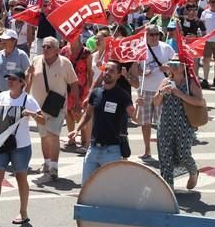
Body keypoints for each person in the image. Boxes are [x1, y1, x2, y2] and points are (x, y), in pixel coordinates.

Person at [0, 69, 41, 227]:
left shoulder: (28, 99)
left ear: (22, 82)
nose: (10, 81)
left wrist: (31, 114)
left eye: (13, 79)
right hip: (2, 144)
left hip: (21, 146)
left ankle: (23, 212)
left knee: (21, 178)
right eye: (8, 78)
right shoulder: (2, 96)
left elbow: (43, 120)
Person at [69, 61, 137, 184]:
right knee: (86, 188)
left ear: (118, 75)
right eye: (106, 70)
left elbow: (136, 117)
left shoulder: (123, 95)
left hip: (112, 151)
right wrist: (77, 129)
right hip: (93, 148)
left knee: (109, 190)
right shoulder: (96, 93)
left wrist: (140, 106)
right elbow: (88, 114)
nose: (107, 73)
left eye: (111, 71)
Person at [26, 37, 78, 180]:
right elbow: (27, 83)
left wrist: (77, 103)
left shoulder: (65, 63)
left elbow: (73, 83)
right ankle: (47, 163)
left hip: (57, 107)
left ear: (57, 50)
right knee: (44, 136)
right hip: (38, 107)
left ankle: (54, 167)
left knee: (53, 135)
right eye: (44, 46)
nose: (45, 49)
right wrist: (28, 74)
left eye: (49, 47)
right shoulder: (36, 60)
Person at [152, 57, 205, 189]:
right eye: (171, 63)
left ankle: (193, 172)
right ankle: (168, 188)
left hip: (185, 124)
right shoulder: (165, 81)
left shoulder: (191, 82)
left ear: (184, 66)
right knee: (165, 155)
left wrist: (179, 94)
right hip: (165, 123)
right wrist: (161, 93)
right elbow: (156, 102)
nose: (174, 66)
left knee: (183, 154)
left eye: (177, 63)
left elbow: (200, 102)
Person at [136, 24, 175, 161]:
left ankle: (163, 149)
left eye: (156, 34)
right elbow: (135, 69)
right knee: (145, 122)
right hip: (145, 90)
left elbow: (177, 64)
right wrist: (142, 73)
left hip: (162, 89)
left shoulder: (166, 47)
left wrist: (169, 68)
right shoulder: (140, 49)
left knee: (162, 122)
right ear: (146, 35)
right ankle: (147, 150)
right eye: (151, 34)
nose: (154, 37)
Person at [60, 37, 93, 152]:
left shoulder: (86, 52)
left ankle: (85, 141)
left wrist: (89, 89)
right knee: (68, 112)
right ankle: (72, 138)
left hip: (82, 88)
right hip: (68, 87)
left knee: (80, 114)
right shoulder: (64, 50)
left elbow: (90, 72)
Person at [0, 29, 31, 93]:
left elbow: (28, 73)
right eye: (2, 39)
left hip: (16, 94)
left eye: (6, 39)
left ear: (14, 41)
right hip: (1, 92)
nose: (2, 41)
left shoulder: (22, 55)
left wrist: (25, 89)